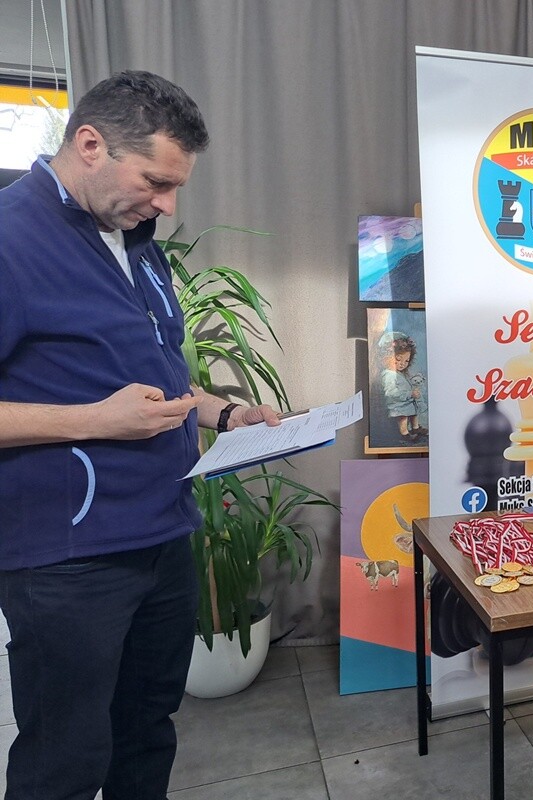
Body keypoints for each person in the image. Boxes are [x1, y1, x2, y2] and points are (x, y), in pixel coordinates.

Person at [0, 70, 279, 800]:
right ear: (90, 144)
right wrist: (96, 421)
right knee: (64, 758)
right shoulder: (9, 237)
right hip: (67, 560)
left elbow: (156, 372)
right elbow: (111, 405)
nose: (167, 204)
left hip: (162, 534)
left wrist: (224, 414)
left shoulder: (136, 239)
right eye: (157, 182)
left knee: (148, 728)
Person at [380, 332, 428, 440]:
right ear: (387, 357)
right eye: (398, 359)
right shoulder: (389, 375)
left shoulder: (400, 373)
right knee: (404, 416)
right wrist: (409, 394)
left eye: (406, 361)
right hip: (398, 403)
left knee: (414, 411)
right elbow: (391, 392)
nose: (402, 363)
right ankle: (404, 433)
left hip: (406, 400)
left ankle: (415, 428)